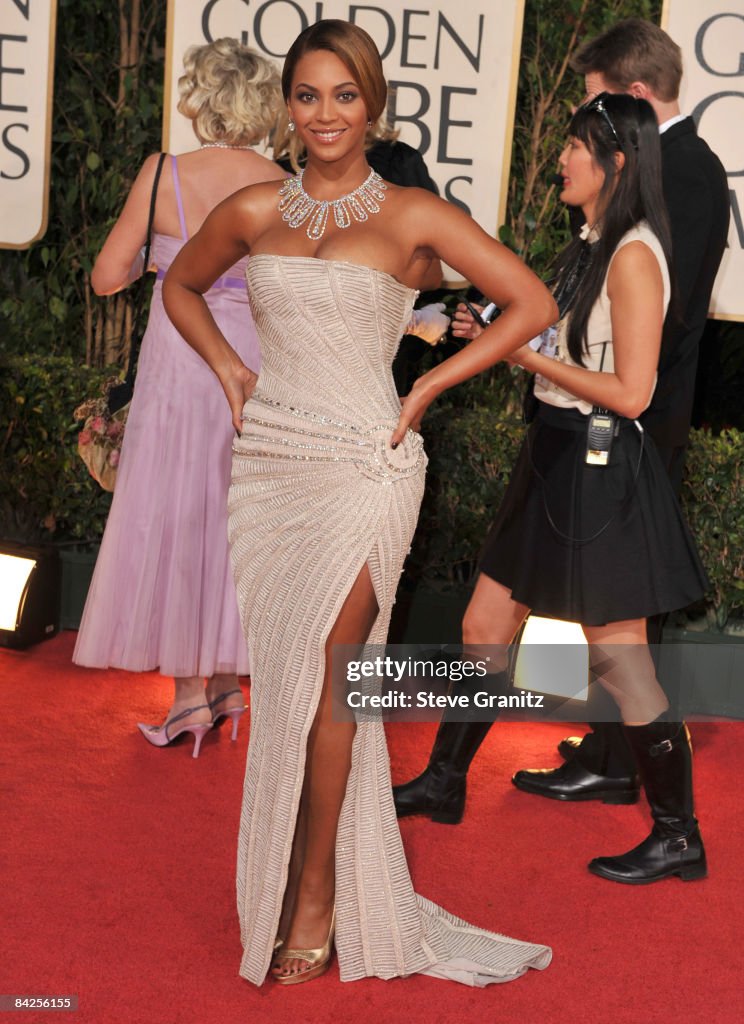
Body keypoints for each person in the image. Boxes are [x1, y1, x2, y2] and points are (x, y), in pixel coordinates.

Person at [163, 19, 556, 987]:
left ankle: (313, 899)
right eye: (308, 95)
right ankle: (299, 878)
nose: (326, 113)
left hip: (368, 467)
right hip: (273, 467)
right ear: (287, 107)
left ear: (372, 103)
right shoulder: (257, 207)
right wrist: (226, 369)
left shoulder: (415, 213)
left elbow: (531, 303)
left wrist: (427, 386)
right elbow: (179, 283)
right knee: (290, 686)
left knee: (335, 682)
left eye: (345, 95)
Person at [394, 18, 729, 839]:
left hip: (599, 470)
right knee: (482, 625)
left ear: (613, 159)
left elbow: (633, 389)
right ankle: (443, 780)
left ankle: (679, 836)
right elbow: (569, 339)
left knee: (622, 659)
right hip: (552, 458)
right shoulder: (593, 244)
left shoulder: (636, 256)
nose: (560, 160)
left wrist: (531, 364)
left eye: (575, 146)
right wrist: (507, 336)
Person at [73, 39, 286, 757]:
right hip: (252, 365)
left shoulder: (164, 173)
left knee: (178, 516)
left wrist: (149, 262)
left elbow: (107, 275)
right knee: (239, 520)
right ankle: (228, 685)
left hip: (177, 357)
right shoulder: (285, 183)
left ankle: (191, 697)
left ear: (202, 98)